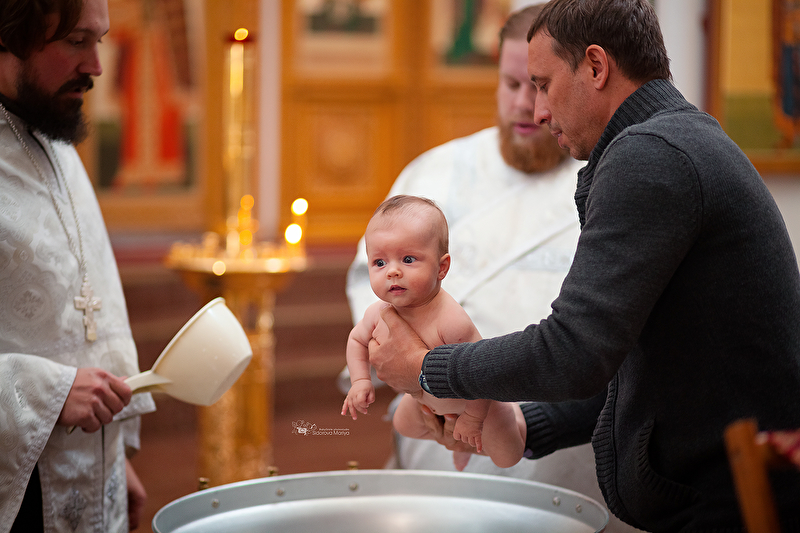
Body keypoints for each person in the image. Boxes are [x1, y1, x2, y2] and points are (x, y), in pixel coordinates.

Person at [367, 0, 800, 531]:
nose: (538, 110)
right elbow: (634, 363)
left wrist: (426, 369)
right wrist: (527, 425)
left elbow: (575, 350)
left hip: (728, 501)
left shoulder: (650, 155)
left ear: (596, 66)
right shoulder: (672, 139)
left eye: (545, 84)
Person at [345, 5, 641, 532]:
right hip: (435, 434)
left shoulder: (609, 177)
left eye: (540, 86)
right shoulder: (436, 170)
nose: (527, 106)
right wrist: (405, 369)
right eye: (512, 84)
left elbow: (600, 333)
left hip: (561, 450)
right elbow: (366, 285)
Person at [0, 0, 155, 531]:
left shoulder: (55, 138)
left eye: (100, 41)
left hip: (90, 469)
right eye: (75, 42)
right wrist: (47, 391)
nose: (97, 66)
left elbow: (85, 310)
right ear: (7, 36)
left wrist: (113, 461)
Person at [342, 195, 525, 471]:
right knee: (403, 424)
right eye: (379, 263)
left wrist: (473, 421)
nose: (392, 271)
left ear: (442, 268)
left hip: (477, 404)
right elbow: (357, 340)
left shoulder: (451, 321)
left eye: (408, 259)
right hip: (424, 400)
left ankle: (509, 415)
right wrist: (359, 381)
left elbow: (482, 375)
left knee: (508, 456)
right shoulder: (377, 312)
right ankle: (457, 445)